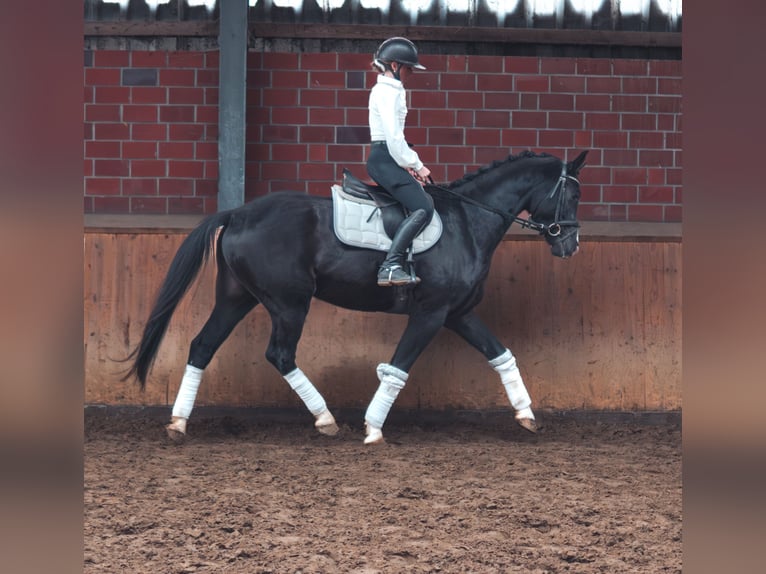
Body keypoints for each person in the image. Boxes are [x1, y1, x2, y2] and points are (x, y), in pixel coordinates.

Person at [366, 37, 434, 287]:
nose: (411, 73)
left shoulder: (390, 90)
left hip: (390, 158)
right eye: (408, 68)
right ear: (394, 66)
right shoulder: (386, 91)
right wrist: (417, 165)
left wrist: (406, 164)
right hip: (385, 158)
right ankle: (391, 265)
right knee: (424, 208)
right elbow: (394, 138)